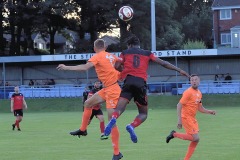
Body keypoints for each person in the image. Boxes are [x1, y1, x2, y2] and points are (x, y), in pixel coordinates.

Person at [104, 35, 190, 143]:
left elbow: (116, 66)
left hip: (128, 81)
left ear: (129, 45)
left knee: (119, 108)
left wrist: (123, 70)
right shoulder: (147, 53)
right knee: (143, 113)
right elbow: (163, 63)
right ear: (139, 44)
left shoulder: (125, 52)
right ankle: (131, 126)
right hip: (140, 83)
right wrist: (179, 70)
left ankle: (113, 119)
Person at [57, 39, 123, 160]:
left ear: (94, 48)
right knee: (88, 103)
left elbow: (85, 68)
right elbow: (123, 64)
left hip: (113, 90)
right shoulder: (112, 56)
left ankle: (117, 153)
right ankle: (83, 130)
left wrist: (66, 67)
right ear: (105, 46)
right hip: (107, 88)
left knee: (111, 121)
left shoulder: (97, 56)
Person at [166, 74, 216, 160]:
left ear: (199, 81)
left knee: (196, 140)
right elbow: (179, 105)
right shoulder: (188, 92)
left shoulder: (199, 93)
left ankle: (186, 158)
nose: (194, 81)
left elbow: (200, 108)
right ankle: (174, 134)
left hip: (192, 118)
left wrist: (209, 111)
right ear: (190, 82)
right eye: (192, 80)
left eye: (195, 79)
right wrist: (179, 119)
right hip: (186, 117)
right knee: (195, 138)